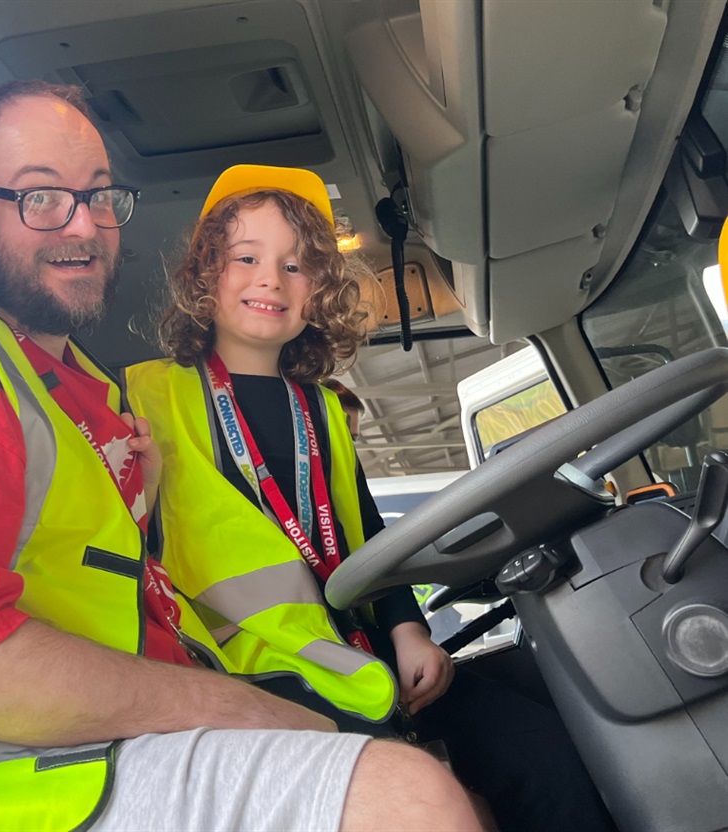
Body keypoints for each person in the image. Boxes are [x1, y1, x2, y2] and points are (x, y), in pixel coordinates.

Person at [0, 81, 481, 831]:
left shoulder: (69, 384)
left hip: (82, 742)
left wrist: (142, 507)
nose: (82, 226)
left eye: (99, 196)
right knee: (410, 797)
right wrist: (239, 708)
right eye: (38, 197)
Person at [126, 164, 615, 832]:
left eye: (297, 267)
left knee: (543, 752)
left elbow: (366, 549)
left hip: (361, 658)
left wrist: (410, 633)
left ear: (318, 293)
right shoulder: (143, 399)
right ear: (204, 273)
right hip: (247, 677)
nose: (271, 279)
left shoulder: (323, 413)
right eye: (246, 258)